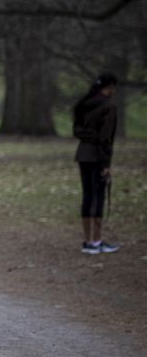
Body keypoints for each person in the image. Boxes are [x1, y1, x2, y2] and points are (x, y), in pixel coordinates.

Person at [73, 74, 120, 254]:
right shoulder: (109, 107)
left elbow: (77, 131)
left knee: (87, 195)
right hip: (97, 157)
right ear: (110, 87)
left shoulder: (83, 105)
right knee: (98, 195)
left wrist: (89, 138)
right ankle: (97, 241)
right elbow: (106, 138)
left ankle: (88, 241)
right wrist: (106, 163)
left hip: (82, 154)